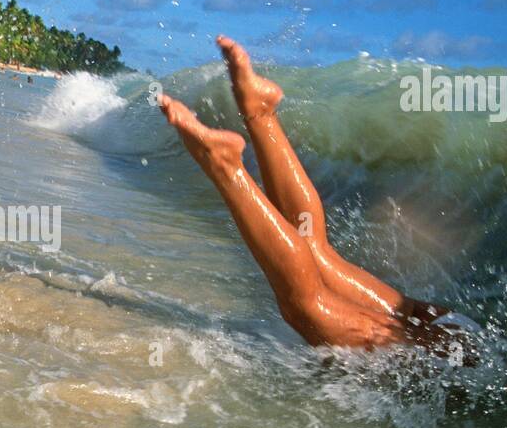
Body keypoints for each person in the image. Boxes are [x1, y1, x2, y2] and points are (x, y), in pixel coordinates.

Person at [159, 35, 478, 355]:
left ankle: (260, 113)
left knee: (316, 251)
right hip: (455, 359)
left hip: (458, 328)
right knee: (308, 308)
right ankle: (226, 167)